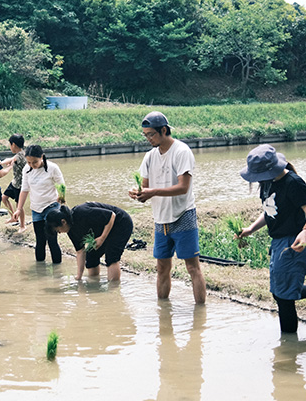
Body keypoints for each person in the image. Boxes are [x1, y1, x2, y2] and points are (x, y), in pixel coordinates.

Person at [238, 144, 306, 334]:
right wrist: (251, 228)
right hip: (278, 242)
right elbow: (269, 210)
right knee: (279, 294)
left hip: (295, 242)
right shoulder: (268, 182)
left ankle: (287, 354)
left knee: (284, 298)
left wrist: (305, 233)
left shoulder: (293, 183)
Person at [129, 111, 206, 304]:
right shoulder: (149, 156)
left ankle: (200, 313)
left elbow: (183, 187)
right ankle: (163, 311)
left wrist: (152, 192)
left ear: (164, 130)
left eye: (151, 134)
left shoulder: (181, 151)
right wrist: (139, 194)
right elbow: (145, 189)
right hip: (160, 219)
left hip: (183, 214)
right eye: (145, 135)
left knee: (192, 268)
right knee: (162, 267)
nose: (148, 139)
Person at [47, 202, 134, 282]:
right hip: (103, 229)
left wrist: (102, 238)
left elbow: (111, 215)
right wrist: (79, 277)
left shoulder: (81, 213)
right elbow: (80, 252)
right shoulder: (71, 231)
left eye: (58, 230)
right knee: (91, 256)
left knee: (111, 256)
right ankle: (94, 284)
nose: (59, 233)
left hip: (120, 222)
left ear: (63, 222)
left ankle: (113, 290)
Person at [12, 144, 64, 264]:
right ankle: (40, 269)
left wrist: (61, 199)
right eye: (29, 162)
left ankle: (57, 273)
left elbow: (61, 186)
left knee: (52, 239)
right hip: (36, 209)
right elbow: (24, 190)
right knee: (40, 241)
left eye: (34, 162)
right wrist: (19, 209)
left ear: (42, 157)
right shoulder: (26, 169)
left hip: (51, 206)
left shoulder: (53, 168)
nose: (32, 165)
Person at [1, 134, 27, 232]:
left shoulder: (20, 155)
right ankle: (14, 217)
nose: (9, 146)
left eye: (10, 144)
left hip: (20, 185)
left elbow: (11, 159)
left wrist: (1, 163)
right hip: (14, 182)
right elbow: (12, 161)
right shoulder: (19, 155)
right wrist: (10, 163)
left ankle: (23, 225)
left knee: (19, 205)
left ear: (14, 145)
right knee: (4, 198)